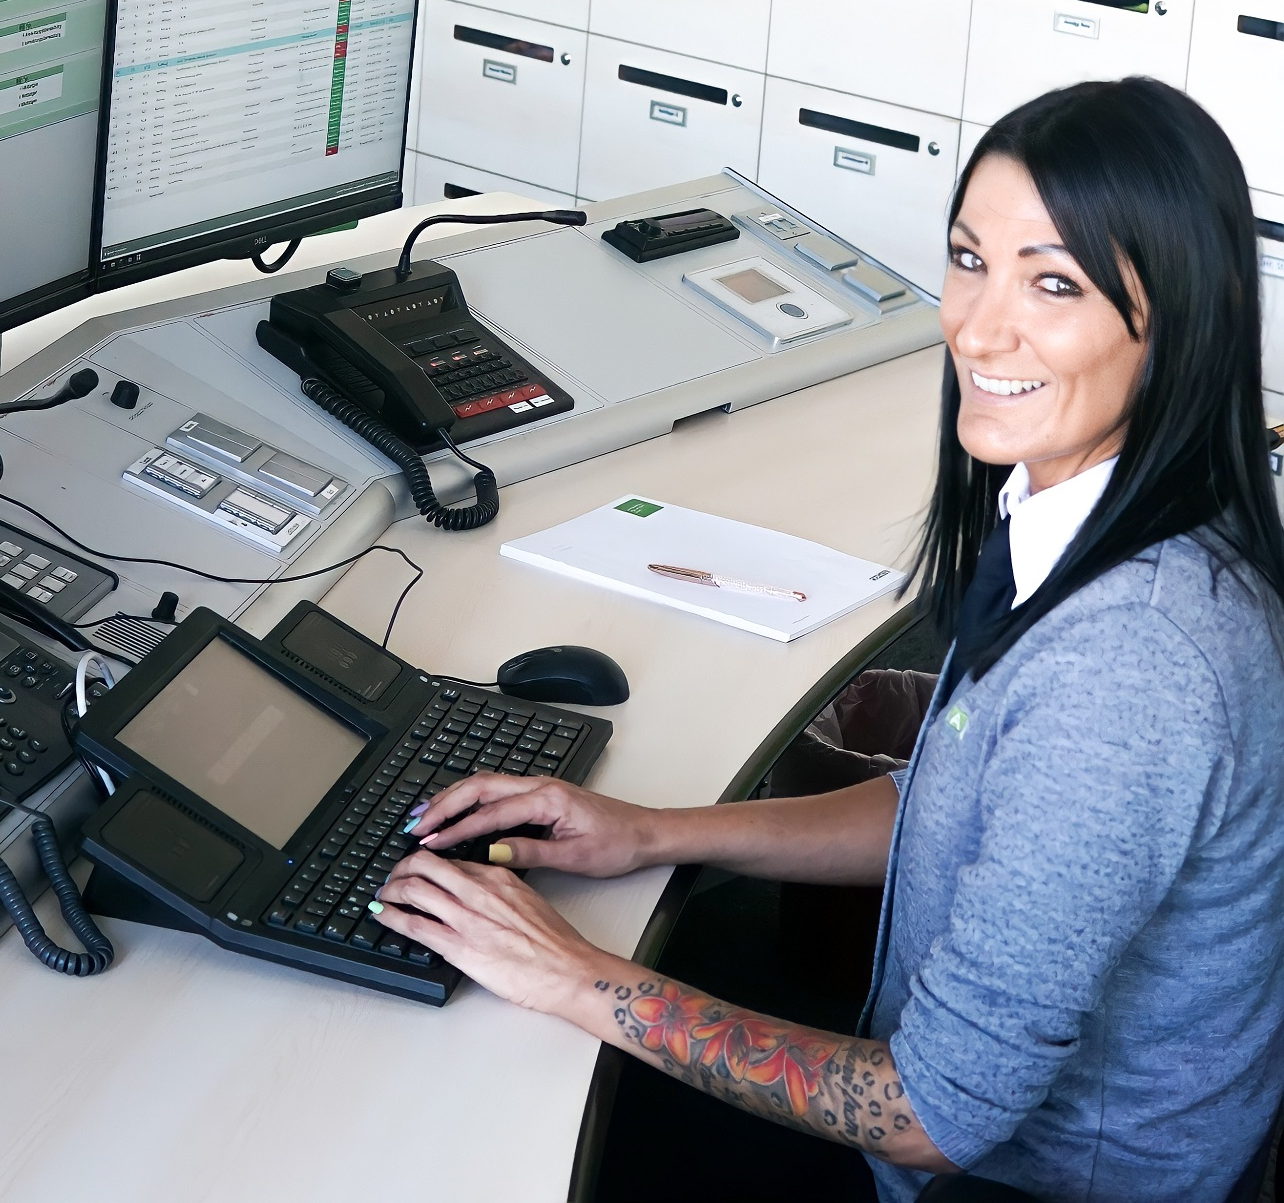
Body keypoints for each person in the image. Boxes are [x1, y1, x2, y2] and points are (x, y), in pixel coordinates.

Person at [377, 77, 1284, 1201]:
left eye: (1054, 281)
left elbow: (929, 1112)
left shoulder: (1132, 663)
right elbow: (951, 804)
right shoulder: (1087, 512)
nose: (977, 322)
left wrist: (571, 974)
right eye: (969, 258)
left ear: (1177, 322)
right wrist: (647, 831)